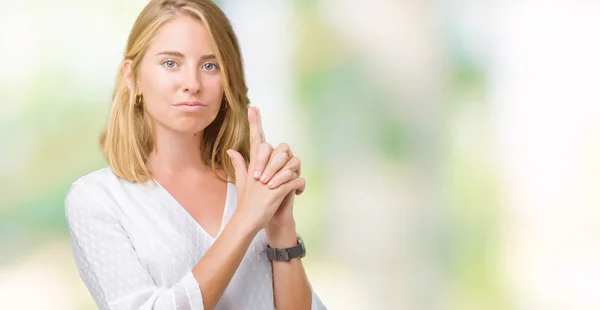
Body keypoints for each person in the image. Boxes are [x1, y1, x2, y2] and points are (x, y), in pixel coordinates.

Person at [64, 0, 327, 309]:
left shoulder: (250, 187)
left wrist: (280, 226)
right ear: (132, 76)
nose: (192, 84)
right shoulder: (98, 199)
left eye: (209, 65)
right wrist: (245, 222)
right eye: (171, 63)